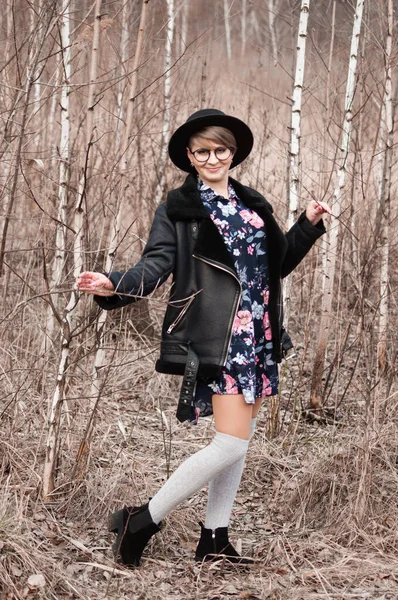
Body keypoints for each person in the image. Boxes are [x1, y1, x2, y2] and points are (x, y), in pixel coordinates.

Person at [76, 108, 331, 568]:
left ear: (232, 154)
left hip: (259, 332)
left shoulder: (253, 205)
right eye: (202, 151)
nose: (212, 158)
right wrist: (115, 283)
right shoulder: (180, 209)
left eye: (220, 150)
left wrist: (306, 224)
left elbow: (276, 265)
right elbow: (155, 265)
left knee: (238, 441)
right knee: (230, 444)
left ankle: (214, 539)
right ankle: (141, 520)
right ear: (190, 158)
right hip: (217, 335)